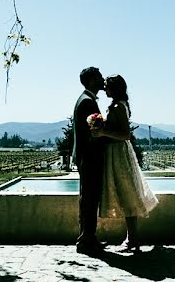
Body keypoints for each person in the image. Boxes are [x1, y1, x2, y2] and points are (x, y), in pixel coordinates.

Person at [93, 74, 158, 252]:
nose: (104, 88)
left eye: (106, 85)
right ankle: (132, 238)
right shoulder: (117, 105)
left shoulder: (119, 107)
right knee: (123, 192)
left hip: (119, 153)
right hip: (114, 152)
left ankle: (132, 239)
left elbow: (125, 135)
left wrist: (103, 132)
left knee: (126, 192)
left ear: (114, 88)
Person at [72, 66, 106, 255]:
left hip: (85, 157)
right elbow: (96, 133)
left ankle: (87, 237)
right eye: (99, 77)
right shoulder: (88, 103)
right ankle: (86, 240)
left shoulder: (84, 100)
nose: (102, 80)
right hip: (90, 157)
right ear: (92, 80)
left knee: (88, 198)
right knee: (90, 199)